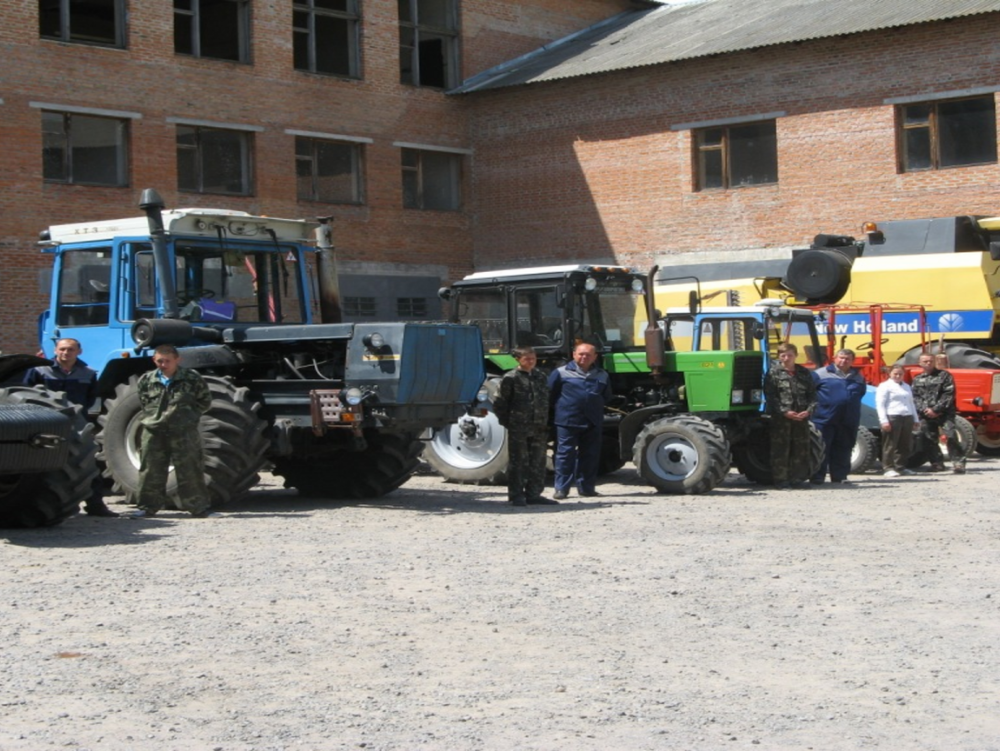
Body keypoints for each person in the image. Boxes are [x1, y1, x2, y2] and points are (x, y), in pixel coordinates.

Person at [23, 338, 118, 517]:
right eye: (62, 349)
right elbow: (26, 394)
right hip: (45, 424)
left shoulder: (88, 373)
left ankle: (95, 505)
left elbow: (94, 399)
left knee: (89, 463)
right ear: (56, 350)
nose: (66, 353)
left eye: (70, 350)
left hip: (77, 425)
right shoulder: (39, 370)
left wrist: (89, 421)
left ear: (79, 352)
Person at [126, 345, 219, 518]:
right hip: (154, 431)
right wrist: (155, 418)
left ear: (178, 360)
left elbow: (204, 402)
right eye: (159, 361)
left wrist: (188, 417)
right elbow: (144, 402)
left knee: (190, 469)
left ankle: (198, 508)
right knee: (150, 470)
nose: (163, 364)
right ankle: (147, 507)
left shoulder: (191, 378)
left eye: (167, 361)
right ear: (154, 360)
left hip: (183, 431)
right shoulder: (147, 380)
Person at [548, 341, 612, 500]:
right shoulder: (561, 373)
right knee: (565, 455)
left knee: (590, 455)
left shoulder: (602, 375)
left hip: (592, 421)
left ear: (595, 357)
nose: (584, 357)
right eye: (581, 354)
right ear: (574, 355)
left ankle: (587, 488)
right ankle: (561, 489)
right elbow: (550, 394)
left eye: (588, 355)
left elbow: (606, 396)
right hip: (568, 420)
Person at [492, 346, 553, 506]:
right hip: (519, 427)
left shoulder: (540, 376)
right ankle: (516, 495)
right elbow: (500, 404)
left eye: (533, 358)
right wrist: (509, 422)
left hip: (539, 426)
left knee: (538, 462)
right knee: (518, 462)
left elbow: (547, 399)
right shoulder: (510, 378)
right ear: (518, 359)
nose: (531, 361)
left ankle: (534, 494)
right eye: (527, 358)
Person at [763, 342, 817, 489]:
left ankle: (798, 479)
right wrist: (784, 411)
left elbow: (812, 394)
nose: (786, 358)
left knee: (801, 448)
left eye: (790, 355)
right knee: (781, 449)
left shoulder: (804, 373)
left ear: (796, 356)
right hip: (781, 419)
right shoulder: (773, 373)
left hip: (801, 417)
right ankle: (781, 481)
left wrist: (808, 411)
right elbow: (770, 396)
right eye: (783, 355)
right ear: (779, 356)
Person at [810, 348, 866, 484]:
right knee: (822, 448)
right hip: (824, 419)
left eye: (847, 359)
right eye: (841, 357)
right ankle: (817, 477)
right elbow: (809, 392)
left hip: (848, 419)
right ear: (834, 358)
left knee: (844, 448)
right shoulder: (820, 374)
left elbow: (860, 393)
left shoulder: (858, 377)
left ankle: (840, 476)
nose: (843, 361)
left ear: (852, 361)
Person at [911, 352, 963, 473]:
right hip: (926, 414)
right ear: (920, 363)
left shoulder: (945, 376)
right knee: (928, 439)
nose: (928, 363)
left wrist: (936, 410)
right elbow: (915, 397)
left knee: (951, 436)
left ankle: (958, 463)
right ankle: (937, 463)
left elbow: (948, 394)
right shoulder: (917, 379)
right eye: (925, 361)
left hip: (944, 414)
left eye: (930, 361)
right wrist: (926, 410)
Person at [875, 364, 920, 477]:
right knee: (890, 444)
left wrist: (915, 419)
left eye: (900, 374)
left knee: (904, 444)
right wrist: (884, 421)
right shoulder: (885, 386)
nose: (898, 376)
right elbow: (880, 404)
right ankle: (888, 467)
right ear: (890, 374)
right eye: (895, 373)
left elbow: (911, 403)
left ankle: (900, 466)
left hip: (907, 416)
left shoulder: (906, 386)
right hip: (893, 416)